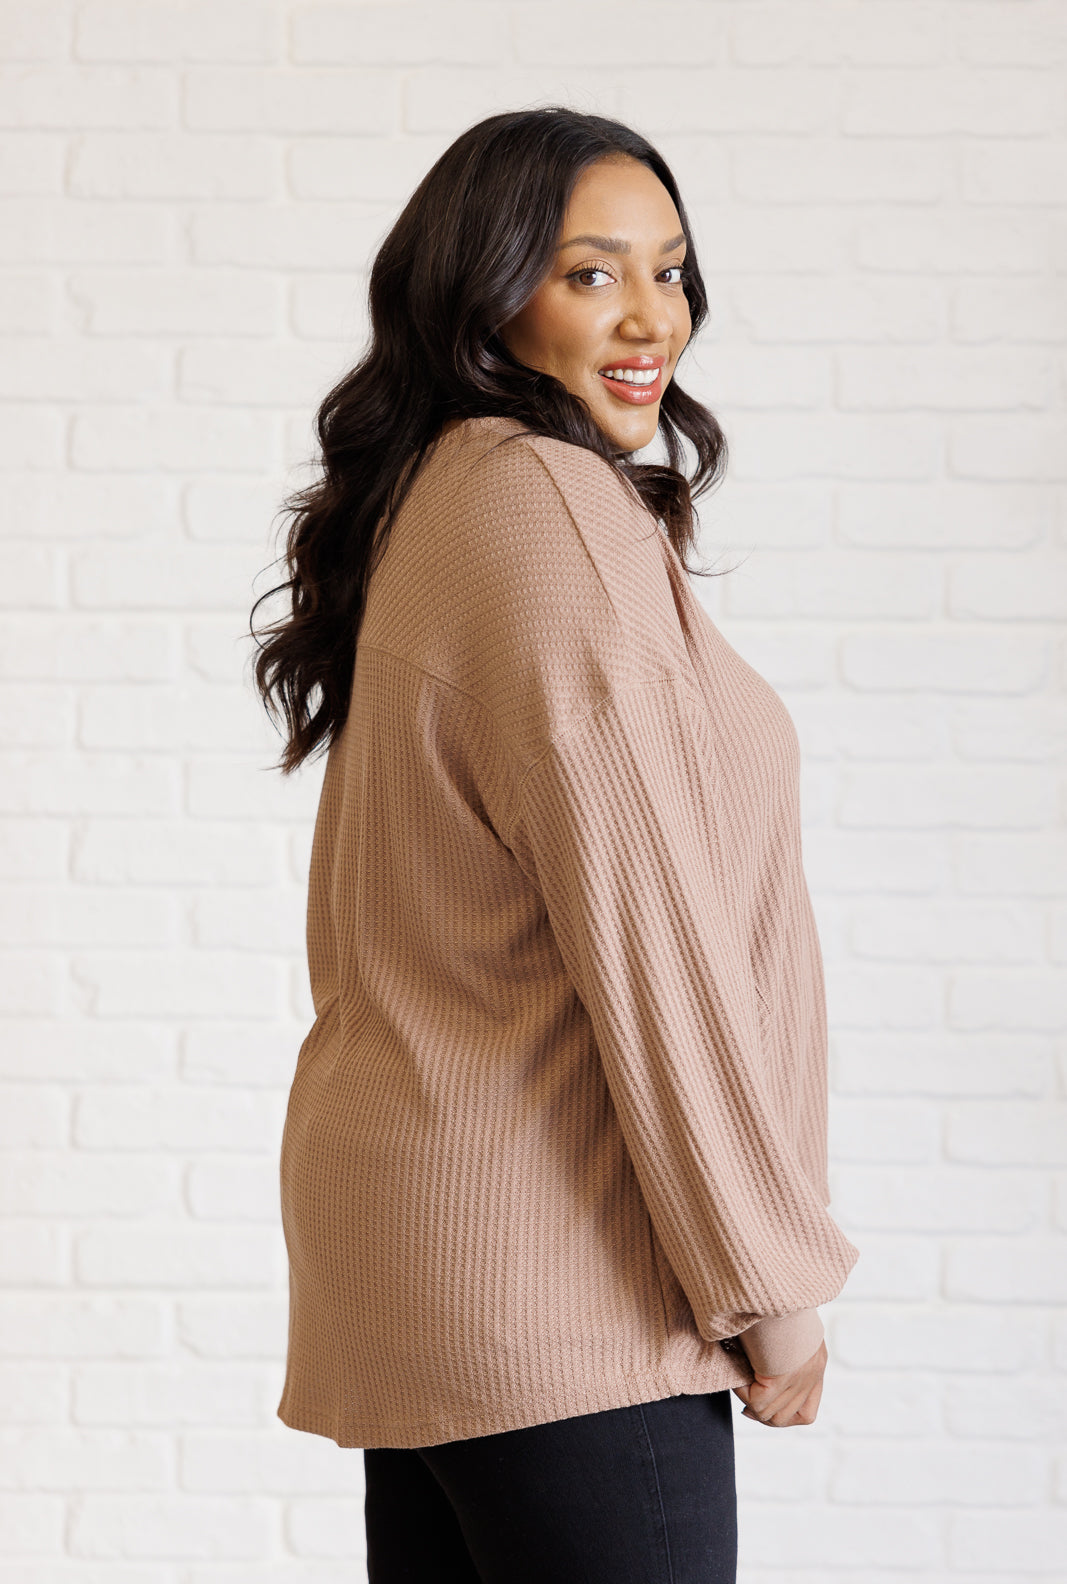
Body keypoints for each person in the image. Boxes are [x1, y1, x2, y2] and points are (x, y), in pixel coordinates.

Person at [250, 105, 861, 1584]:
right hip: (571, 1288)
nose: (651, 314)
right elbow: (650, 936)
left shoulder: (445, 499)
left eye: (670, 269)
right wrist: (769, 1282)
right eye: (591, 274)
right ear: (489, 290)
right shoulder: (547, 506)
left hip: (441, 1272)